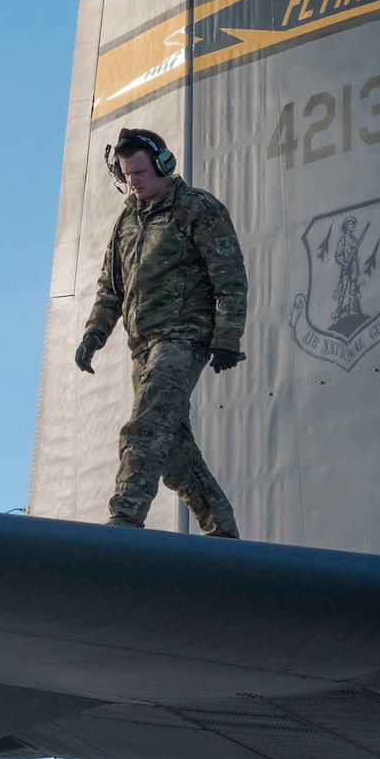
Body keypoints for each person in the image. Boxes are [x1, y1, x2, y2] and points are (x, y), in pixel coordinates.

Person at [74, 127, 246, 535]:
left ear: (164, 165)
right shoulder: (127, 222)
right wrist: (93, 335)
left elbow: (230, 278)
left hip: (183, 339)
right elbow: (110, 288)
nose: (133, 181)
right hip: (143, 347)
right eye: (126, 174)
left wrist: (227, 338)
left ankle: (125, 519)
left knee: (147, 428)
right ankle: (222, 531)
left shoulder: (196, 208)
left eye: (140, 172)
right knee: (173, 454)